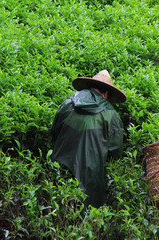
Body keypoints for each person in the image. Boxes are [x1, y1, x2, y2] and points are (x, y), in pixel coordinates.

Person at [51, 70, 126, 209]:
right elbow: (115, 152)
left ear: (90, 86)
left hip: (59, 168)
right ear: (106, 93)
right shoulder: (110, 114)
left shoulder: (67, 104)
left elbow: (54, 133)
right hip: (91, 177)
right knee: (85, 216)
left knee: (57, 209)